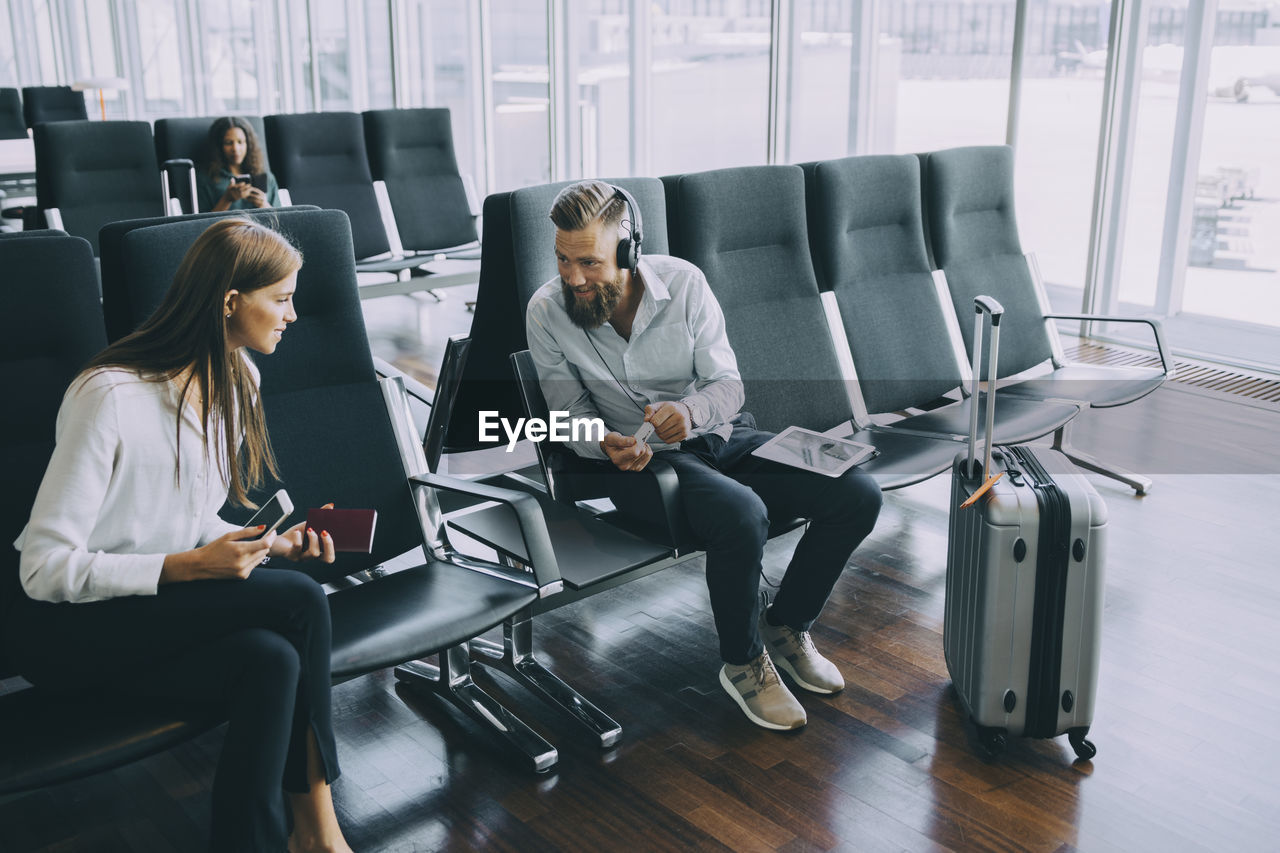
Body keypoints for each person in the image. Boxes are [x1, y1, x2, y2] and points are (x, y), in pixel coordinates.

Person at [8, 218, 352, 853]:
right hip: (68, 629)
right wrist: (187, 568)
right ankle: (321, 834)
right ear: (229, 302)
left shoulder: (238, 378)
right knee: (300, 600)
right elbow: (42, 568)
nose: (293, 315)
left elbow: (190, 521)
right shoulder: (109, 396)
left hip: (153, 614)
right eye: (280, 299)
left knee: (272, 660)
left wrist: (270, 544)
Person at [526, 181, 883, 732]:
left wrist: (691, 412)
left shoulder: (684, 283)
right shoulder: (548, 310)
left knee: (857, 493)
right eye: (562, 259)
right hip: (639, 465)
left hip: (716, 435)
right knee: (741, 513)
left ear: (628, 249)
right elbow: (564, 412)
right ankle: (743, 664)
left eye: (588, 262)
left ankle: (786, 624)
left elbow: (727, 386)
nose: (572, 277)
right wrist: (601, 441)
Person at [198, 116, 281, 213]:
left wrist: (263, 204)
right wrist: (226, 200)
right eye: (229, 143)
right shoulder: (206, 179)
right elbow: (200, 224)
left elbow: (280, 218)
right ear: (219, 146)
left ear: (248, 144)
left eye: (240, 142)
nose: (235, 149)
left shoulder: (266, 177)